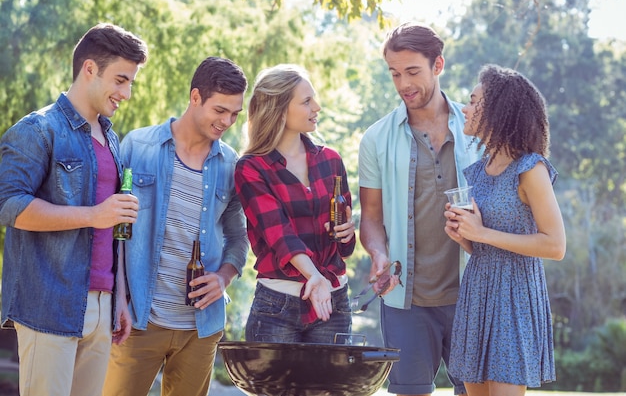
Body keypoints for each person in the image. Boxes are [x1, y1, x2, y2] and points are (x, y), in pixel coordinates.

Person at [0, 23, 148, 396]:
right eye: (120, 80)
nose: (126, 93)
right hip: (49, 304)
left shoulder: (111, 138)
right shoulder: (39, 129)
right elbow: (8, 204)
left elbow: (111, 232)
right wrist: (93, 214)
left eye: (130, 82)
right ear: (89, 69)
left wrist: (119, 299)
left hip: (102, 308)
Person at [101, 56, 249, 396]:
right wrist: (117, 297)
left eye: (235, 114)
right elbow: (111, 234)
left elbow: (238, 238)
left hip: (201, 328)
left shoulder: (230, 165)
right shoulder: (138, 147)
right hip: (137, 319)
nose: (227, 121)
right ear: (195, 97)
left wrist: (224, 277)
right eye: (220, 110)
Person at [358, 22, 482, 396]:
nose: (403, 84)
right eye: (395, 73)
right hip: (404, 301)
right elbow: (372, 218)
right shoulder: (376, 138)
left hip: (473, 294)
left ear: (438, 65)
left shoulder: (476, 128)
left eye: (412, 71)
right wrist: (377, 253)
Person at [444, 64, 566, 396]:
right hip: (478, 291)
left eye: (473, 101)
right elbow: (485, 242)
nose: (465, 108)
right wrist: (465, 236)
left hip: (515, 296)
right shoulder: (477, 172)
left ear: (498, 110)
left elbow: (555, 245)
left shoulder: (531, 168)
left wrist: (482, 234)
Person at [234, 64, 356, 344]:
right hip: (278, 307)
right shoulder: (251, 168)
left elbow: (344, 249)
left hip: (333, 302)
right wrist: (314, 277)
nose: (318, 106)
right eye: (306, 101)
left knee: (329, 389)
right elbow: (279, 235)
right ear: (279, 108)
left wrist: (348, 234)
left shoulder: (331, 160)